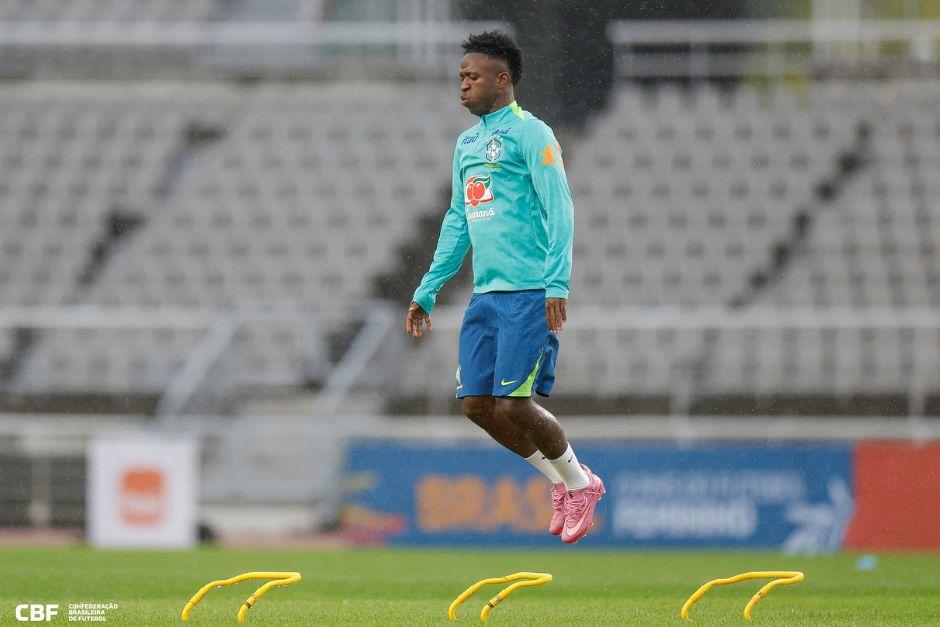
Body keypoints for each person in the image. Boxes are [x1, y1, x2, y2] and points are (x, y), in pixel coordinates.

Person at [405, 30, 604, 544]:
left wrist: (557, 283)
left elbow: (560, 208)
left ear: (502, 79)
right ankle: (560, 482)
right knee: (476, 404)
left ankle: (581, 484)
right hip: (485, 297)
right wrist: (428, 289)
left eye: (472, 77)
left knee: (515, 403)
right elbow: (458, 219)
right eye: (460, 77)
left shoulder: (532, 133)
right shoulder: (467, 144)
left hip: (529, 293)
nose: (463, 85)